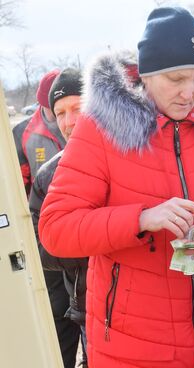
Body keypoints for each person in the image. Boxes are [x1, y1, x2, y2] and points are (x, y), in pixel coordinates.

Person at [39, 7, 194, 367]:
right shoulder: (101, 129)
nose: (190, 93)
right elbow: (56, 229)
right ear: (147, 74)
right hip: (132, 348)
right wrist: (142, 219)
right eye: (176, 79)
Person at [28, 68, 87, 368]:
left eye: (77, 108)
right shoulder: (48, 175)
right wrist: (88, 246)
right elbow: (40, 247)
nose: (69, 121)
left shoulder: (129, 156)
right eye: (60, 113)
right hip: (87, 306)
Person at [11, 69, 65, 195]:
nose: (59, 114)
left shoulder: (83, 125)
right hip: (42, 208)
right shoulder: (21, 132)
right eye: (54, 108)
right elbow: (19, 181)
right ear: (42, 103)